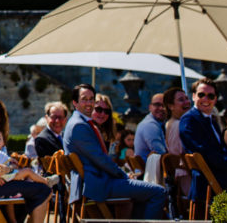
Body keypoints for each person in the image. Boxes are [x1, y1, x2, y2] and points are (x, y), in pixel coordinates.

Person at [62, 84, 166, 220]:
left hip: (97, 181)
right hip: (97, 184)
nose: (89, 103)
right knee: (158, 192)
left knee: (145, 194)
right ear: (75, 102)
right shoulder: (79, 125)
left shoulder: (79, 122)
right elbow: (100, 159)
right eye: (84, 99)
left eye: (91, 99)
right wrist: (123, 176)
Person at [0, 129, 55, 223]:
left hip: (7, 177)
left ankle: (42, 182)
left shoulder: (3, 150)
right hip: (5, 178)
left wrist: (11, 162)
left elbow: (9, 163)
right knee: (28, 172)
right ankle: (46, 181)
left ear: (3, 140)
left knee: (26, 176)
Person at [163, 87, 191, 197]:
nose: (186, 102)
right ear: (171, 106)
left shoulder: (171, 123)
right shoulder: (177, 125)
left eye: (187, 98)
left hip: (181, 174)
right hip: (185, 175)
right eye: (181, 99)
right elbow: (179, 153)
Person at [134, 93, 167, 161]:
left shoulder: (157, 123)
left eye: (164, 105)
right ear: (150, 107)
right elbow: (160, 152)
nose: (161, 108)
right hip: (150, 169)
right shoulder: (150, 125)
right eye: (157, 105)